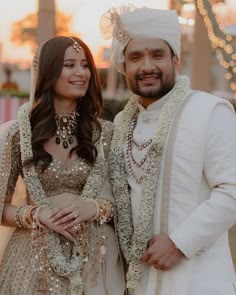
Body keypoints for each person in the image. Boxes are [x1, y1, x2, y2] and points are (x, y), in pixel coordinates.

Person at [100, 5, 236, 295]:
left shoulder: (209, 111)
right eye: (135, 57)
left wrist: (179, 243)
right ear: (123, 66)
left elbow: (232, 190)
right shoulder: (123, 122)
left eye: (157, 54)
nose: (147, 65)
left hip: (199, 280)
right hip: (137, 281)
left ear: (175, 59)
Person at [0, 36, 125, 295]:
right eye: (69, 65)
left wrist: (92, 207)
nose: (81, 73)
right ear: (49, 71)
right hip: (34, 260)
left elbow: (124, 206)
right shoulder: (19, 134)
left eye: (85, 65)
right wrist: (38, 215)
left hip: (94, 262)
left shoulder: (106, 133)